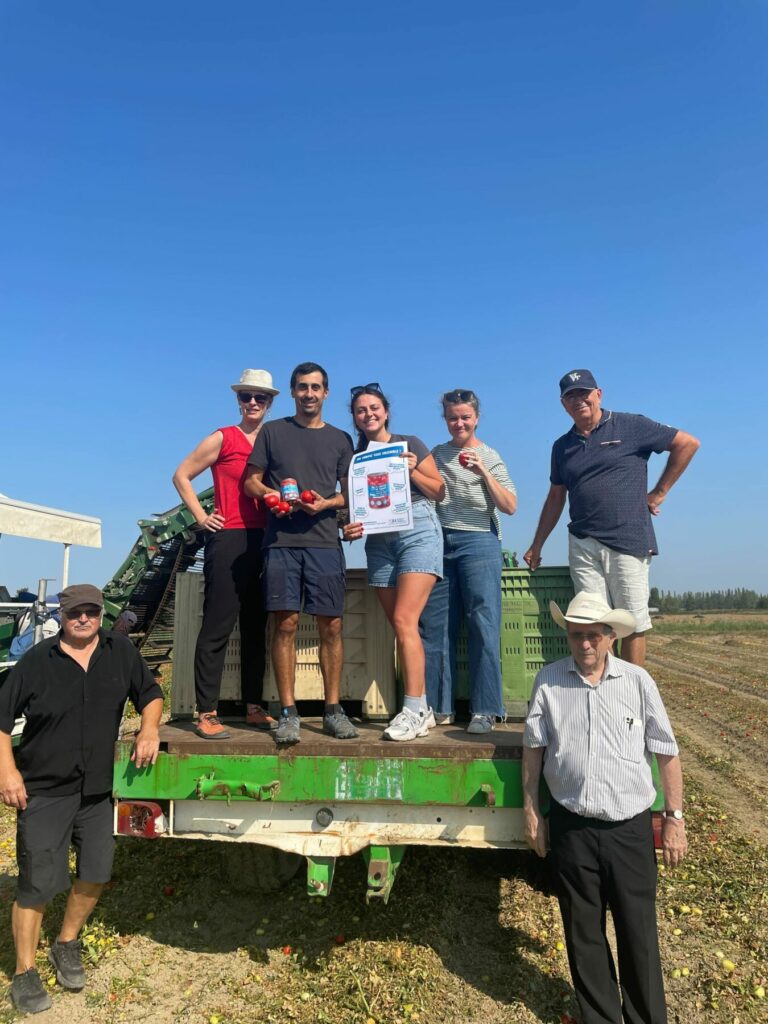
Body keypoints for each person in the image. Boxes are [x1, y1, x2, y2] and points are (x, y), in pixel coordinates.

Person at [522, 591, 687, 1024]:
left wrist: (674, 818)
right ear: (568, 637)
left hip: (629, 831)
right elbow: (534, 751)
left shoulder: (637, 682)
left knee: (638, 934)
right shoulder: (549, 681)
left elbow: (666, 752)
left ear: (611, 636)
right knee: (583, 933)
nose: (585, 644)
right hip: (573, 827)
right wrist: (532, 811)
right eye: (576, 635)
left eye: (593, 635)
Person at [0, 584, 163, 1015]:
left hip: (96, 792)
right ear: (63, 615)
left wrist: (149, 728)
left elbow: (150, 694)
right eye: (76, 613)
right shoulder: (38, 662)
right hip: (45, 790)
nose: (84, 619)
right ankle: (23, 972)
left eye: (92, 611)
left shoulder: (120, 652)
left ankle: (66, 943)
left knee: (96, 872)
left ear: (101, 615)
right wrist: (8, 771)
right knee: (37, 883)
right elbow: (0, 720)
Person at [524, 369, 700, 666]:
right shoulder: (561, 446)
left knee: (631, 621)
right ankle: (603, 687)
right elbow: (556, 496)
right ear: (563, 403)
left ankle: (631, 693)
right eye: (571, 396)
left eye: (584, 393)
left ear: (599, 395)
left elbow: (687, 443)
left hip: (627, 538)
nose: (579, 400)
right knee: (592, 621)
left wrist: (659, 492)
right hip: (582, 542)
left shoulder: (632, 425)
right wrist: (537, 544)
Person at [244, 362, 356, 746]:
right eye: (302, 387)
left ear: (326, 393)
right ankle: (288, 712)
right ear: (292, 392)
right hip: (281, 543)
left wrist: (326, 504)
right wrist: (270, 495)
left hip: (325, 541)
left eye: (316, 387)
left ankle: (333, 709)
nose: (309, 394)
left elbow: (351, 495)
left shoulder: (341, 439)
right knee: (286, 624)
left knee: (332, 626)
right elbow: (250, 482)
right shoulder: (273, 433)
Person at [172, 368, 279, 739]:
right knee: (218, 625)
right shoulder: (224, 437)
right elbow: (181, 474)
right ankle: (207, 712)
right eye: (246, 396)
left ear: (270, 402)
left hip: (266, 540)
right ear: (238, 400)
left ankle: (253, 706)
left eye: (260, 397)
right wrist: (202, 517)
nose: (252, 402)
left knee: (255, 627)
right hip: (229, 537)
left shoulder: (275, 440)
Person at [342, 383, 445, 741]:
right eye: (360, 410)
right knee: (402, 627)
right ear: (355, 418)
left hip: (417, 528)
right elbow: (351, 508)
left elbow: (439, 491)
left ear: (386, 411)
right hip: (378, 541)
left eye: (374, 408)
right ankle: (425, 708)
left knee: (404, 620)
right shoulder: (356, 458)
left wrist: (413, 470)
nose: (368, 414)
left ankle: (413, 708)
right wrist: (350, 526)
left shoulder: (410, 443)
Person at [419, 388, 517, 733]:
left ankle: (486, 709)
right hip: (440, 541)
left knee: (483, 624)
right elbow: (427, 490)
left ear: (476, 418)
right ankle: (436, 707)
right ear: (445, 419)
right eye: (452, 418)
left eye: (465, 417)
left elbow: (509, 506)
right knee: (435, 627)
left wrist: (483, 474)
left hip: (480, 542)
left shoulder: (489, 455)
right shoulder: (436, 454)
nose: (458, 423)